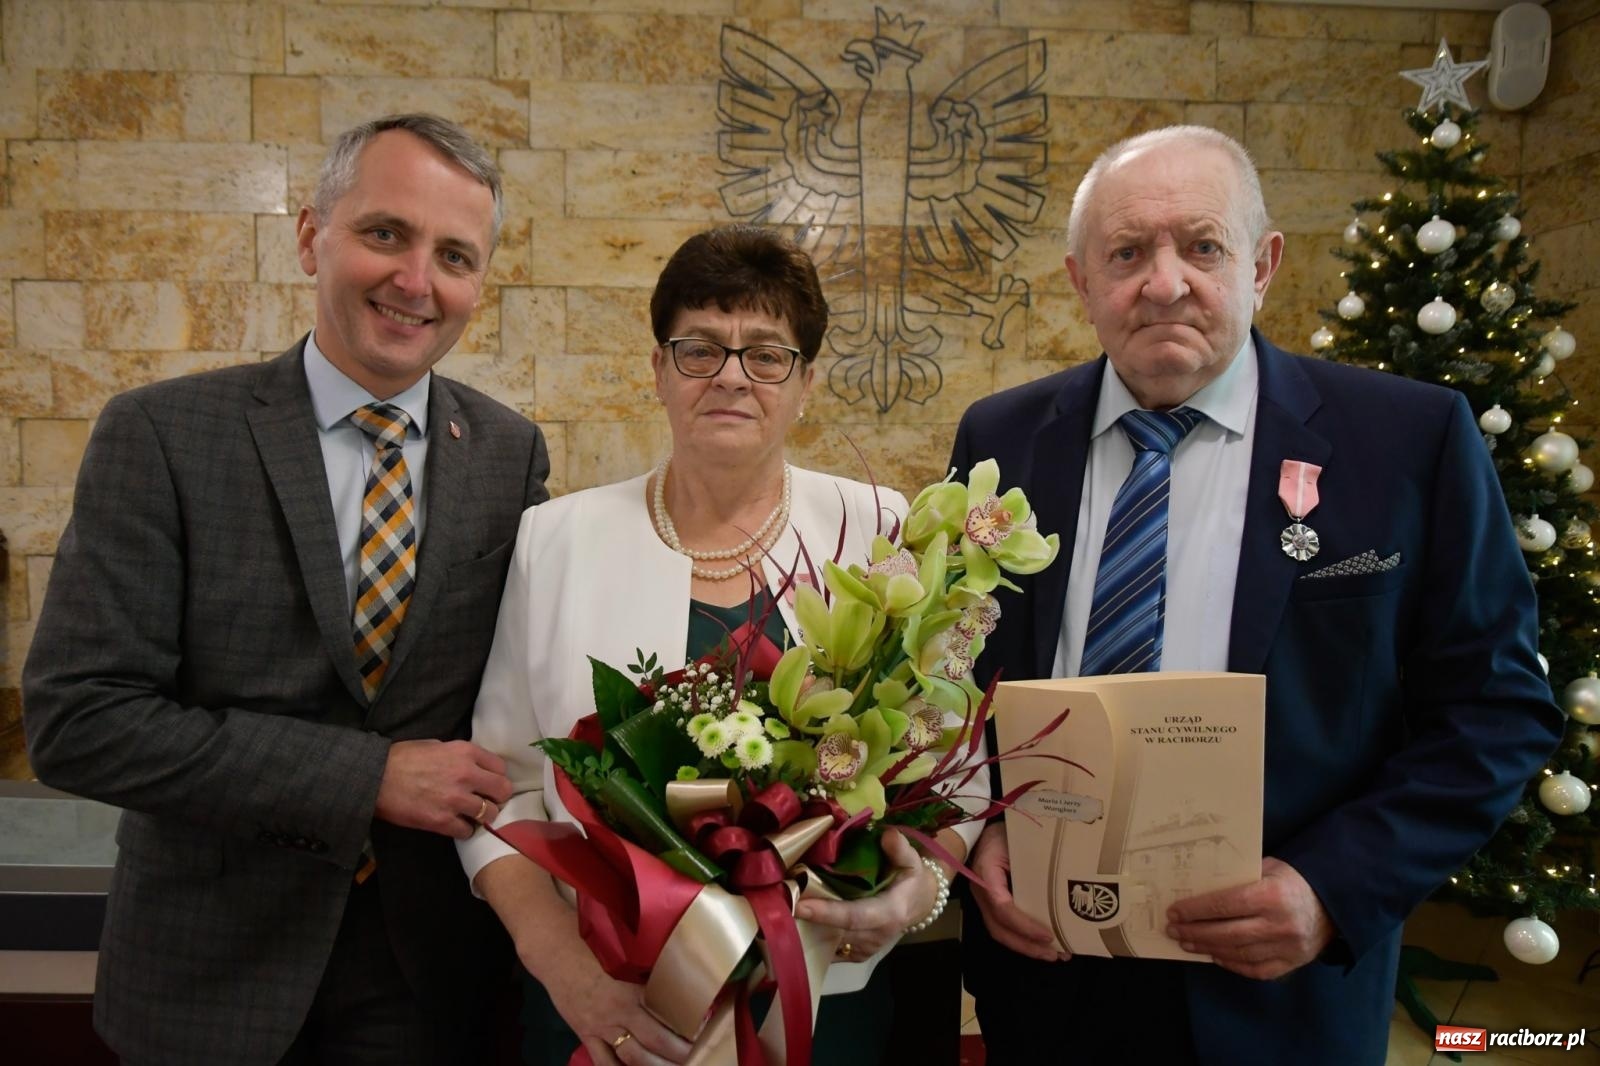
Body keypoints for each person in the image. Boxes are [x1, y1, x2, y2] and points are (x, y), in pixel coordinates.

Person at [949, 126, 1564, 1064]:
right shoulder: (1001, 440)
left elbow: (1498, 711)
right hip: (1048, 973)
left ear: (1263, 264)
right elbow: (951, 681)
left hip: (1282, 999)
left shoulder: (1408, 440)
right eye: (1127, 253)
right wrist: (972, 832)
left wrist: (1331, 889)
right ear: (1081, 280)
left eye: (1202, 246)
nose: (1164, 284)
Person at [23, 114, 550, 1066]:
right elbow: (80, 720)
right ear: (311, 237)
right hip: (205, 974)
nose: (416, 281)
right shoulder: (163, 436)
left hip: (429, 979)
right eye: (385, 233)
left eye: (454, 256)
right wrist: (366, 778)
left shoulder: (508, 454)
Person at [458, 224, 982, 1066]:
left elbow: (954, 768)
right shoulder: (555, 540)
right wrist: (564, 969)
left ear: (806, 384)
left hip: (822, 1000)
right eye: (700, 349)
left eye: (767, 354)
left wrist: (919, 890)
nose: (732, 375)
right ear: (659, 370)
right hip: (606, 1002)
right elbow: (503, 788)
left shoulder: (882, 532)